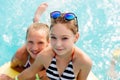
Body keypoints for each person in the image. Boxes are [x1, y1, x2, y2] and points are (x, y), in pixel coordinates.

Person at [9, 11, 92, 80]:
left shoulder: (84, 62)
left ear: (76, 37)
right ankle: (36, 21)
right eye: (53, 37)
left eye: (64, 38)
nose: (58, 44)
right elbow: (30, 71)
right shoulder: (44, 56)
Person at [0, 3, 49, 80]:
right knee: (36, 32)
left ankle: (36, 19)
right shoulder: (20, 56)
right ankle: (36, 20)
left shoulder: (54, 55)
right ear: (26, 41)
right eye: (30, 42)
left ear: (48, 43)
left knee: (45, 32)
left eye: (40, 43)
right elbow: (13, 67)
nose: (35, 48)